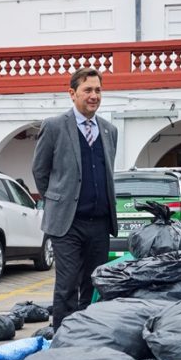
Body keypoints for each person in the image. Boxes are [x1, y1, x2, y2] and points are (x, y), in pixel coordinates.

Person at [32, 67, 118, 329]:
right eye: (88, 90)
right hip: (67, 224)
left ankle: (91, 336)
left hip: (100, 223)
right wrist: (58, 198)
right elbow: (40, 170)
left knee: (96, 285)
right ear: (72, 93)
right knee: (67, 284)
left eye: (98, 90)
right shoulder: (55, 126)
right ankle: (64, 339)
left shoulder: (109, 130)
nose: (94, 95)